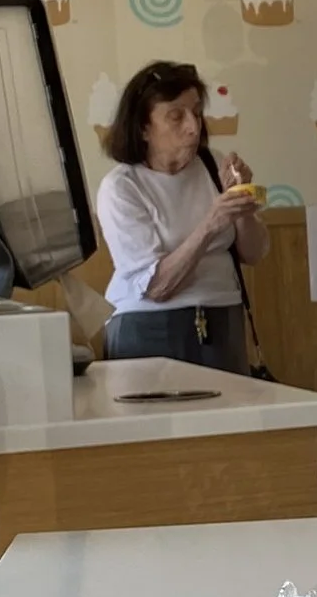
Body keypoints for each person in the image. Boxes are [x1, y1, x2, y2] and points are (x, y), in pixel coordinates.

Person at [94, 61, 267, 368]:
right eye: (176, 116)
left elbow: (253, 254)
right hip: (149, 329)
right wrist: (211, 225)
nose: (193, 125)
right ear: (143, 128)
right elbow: (157, 288)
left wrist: (240, 204)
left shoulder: (213, 164)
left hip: (223, 320)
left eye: (197, 112)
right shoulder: (121, 188)